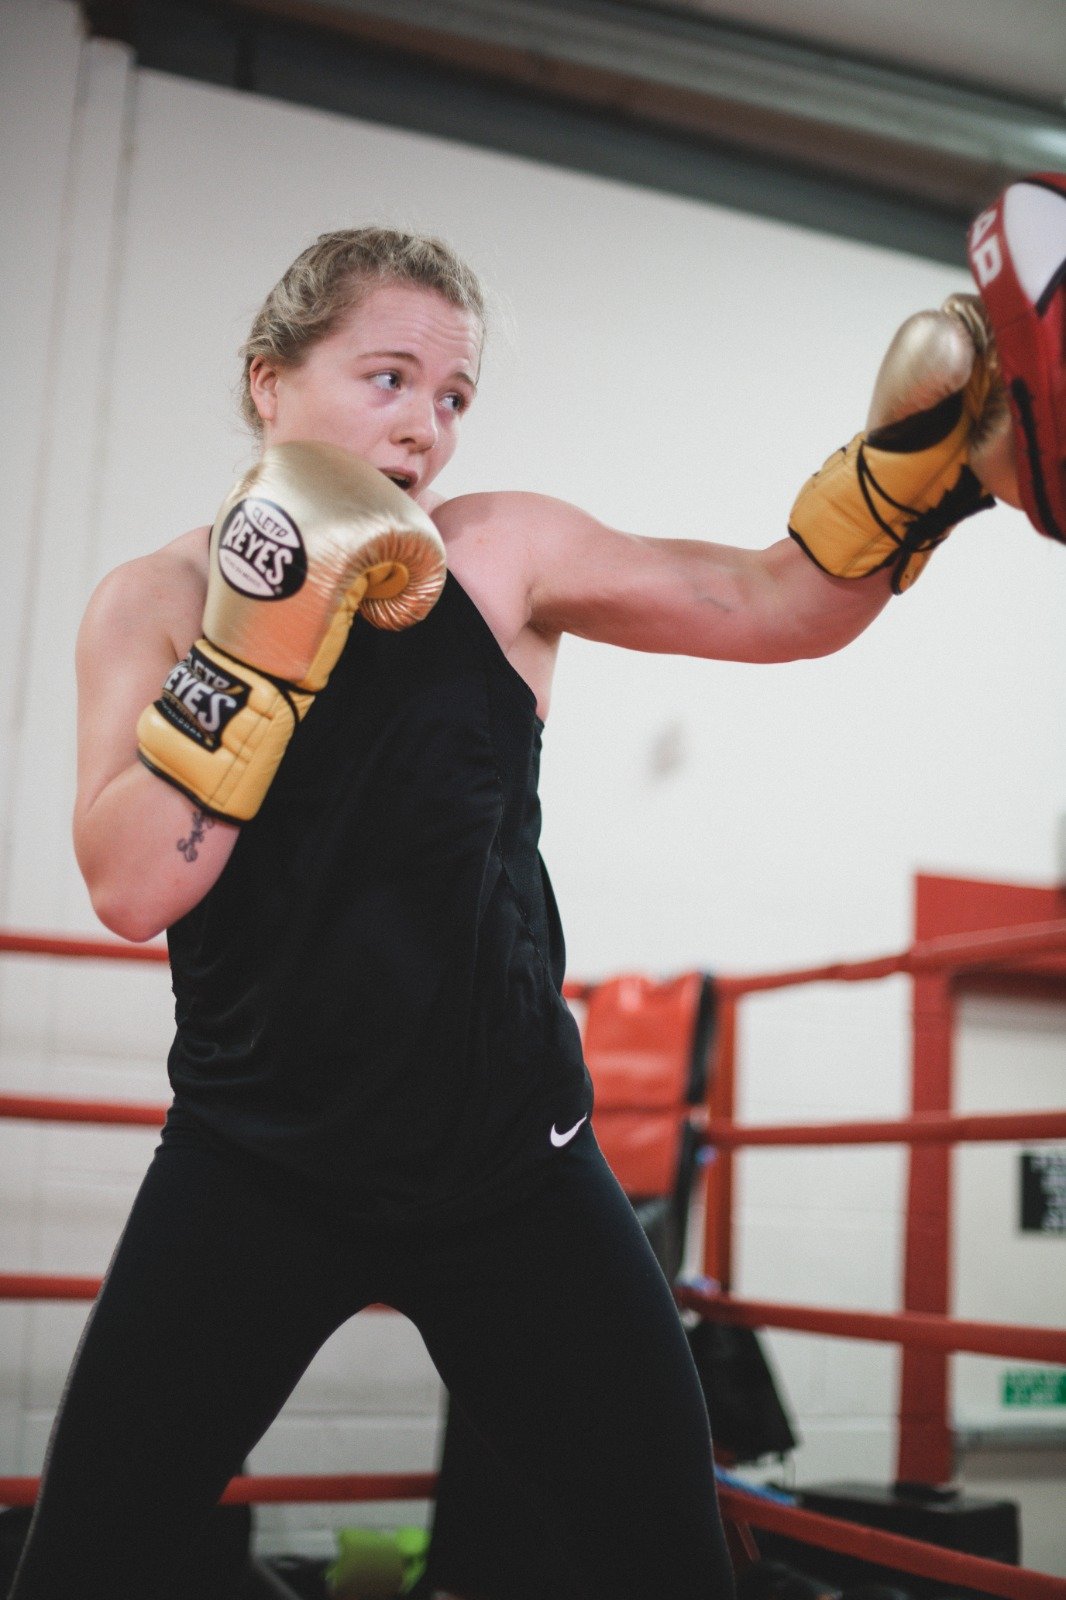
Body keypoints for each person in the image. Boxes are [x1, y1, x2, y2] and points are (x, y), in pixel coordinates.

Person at [9, 228, 1004, 1600]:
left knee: (667, 1565)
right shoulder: (158, 601)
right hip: (255, 1156)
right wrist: (259, 644)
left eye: (453, 397)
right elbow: (132, 886)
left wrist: (918, 470)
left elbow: (775, 603)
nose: (423, 427)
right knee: (87, 1567)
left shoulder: (501, 557)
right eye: (388, 378)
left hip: (508, 1166)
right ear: (269, 383)